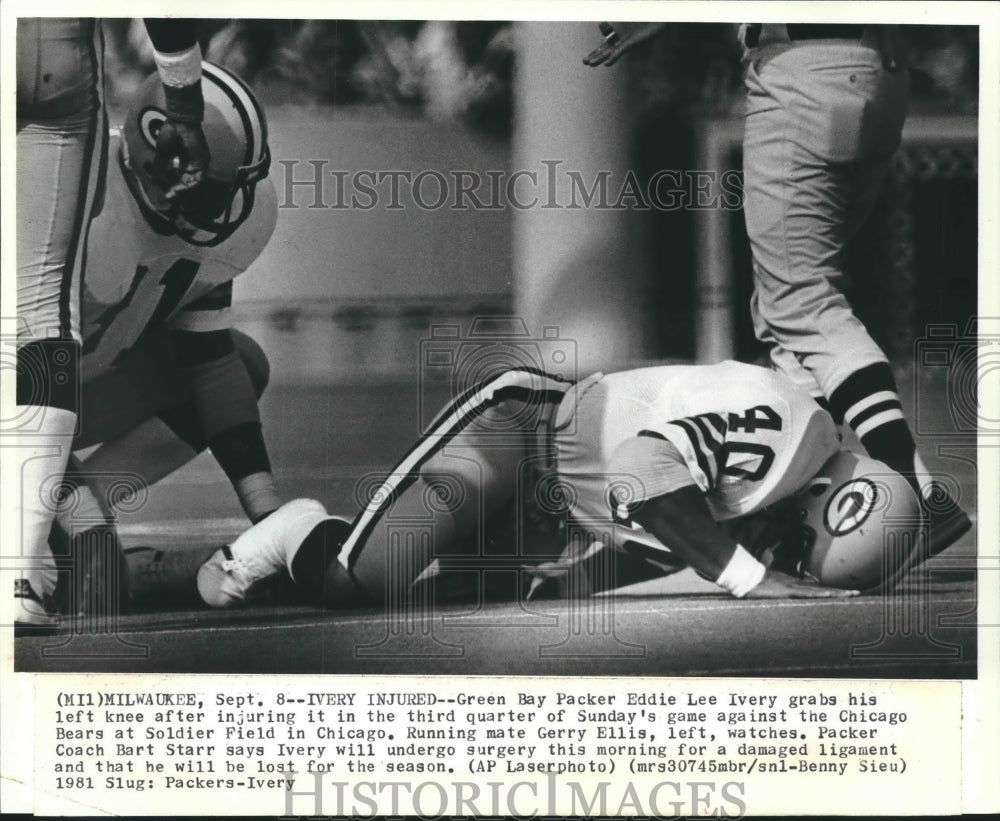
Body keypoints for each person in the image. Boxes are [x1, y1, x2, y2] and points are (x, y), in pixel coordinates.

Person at [582, 21, 970, 560]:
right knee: (785, 318)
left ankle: (922, 495)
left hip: (803, 72)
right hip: (872, 69)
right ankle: (790, 512)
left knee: (802, 302)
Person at [131, 361, 928, 615]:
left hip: (572, 507)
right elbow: (647, 475)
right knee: (353, 583)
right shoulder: (779, 435)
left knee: (449, 599)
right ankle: (295, 526)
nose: (782, 553)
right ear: (826, 500)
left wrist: (573, 578)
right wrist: (753, 578)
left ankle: (158, 576)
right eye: (799, 546)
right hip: (518, 435)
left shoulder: (811, 448)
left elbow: (652, 521)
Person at [14, 61, 277, 634]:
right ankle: (58, 524)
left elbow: (210, 361)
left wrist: (269, 519)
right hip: (20, 400)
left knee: (243, 362)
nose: (223, 208)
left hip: (63, 396)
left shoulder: (226, 217)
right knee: (90, 575)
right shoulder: (76, 198)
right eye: (207, 187)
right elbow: (27, 374)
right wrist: (77, 514)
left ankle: (72, 516)